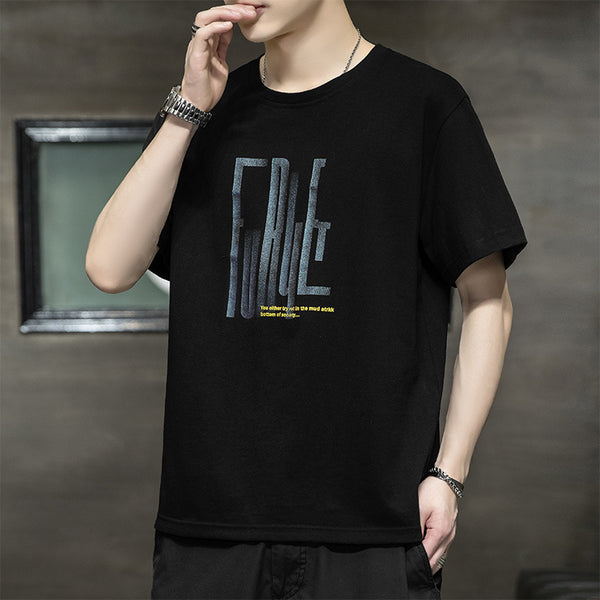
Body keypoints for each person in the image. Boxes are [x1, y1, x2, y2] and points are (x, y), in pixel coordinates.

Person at [85, 1, 528, 598]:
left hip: (373, 530)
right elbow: (109, 268)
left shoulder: (424, 104)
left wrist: (449, 474)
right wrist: (187, 110)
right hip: (209, 531)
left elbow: (488, 301)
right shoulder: (206, 108)